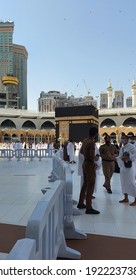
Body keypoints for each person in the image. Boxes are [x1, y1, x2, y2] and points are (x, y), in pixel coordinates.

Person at [77, 126, 100, 214]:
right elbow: (92, 157)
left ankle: (80, 202)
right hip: (90, 164)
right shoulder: (91, 143)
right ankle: (89, 207)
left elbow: (82, 152)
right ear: (95, 134)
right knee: (91, 185)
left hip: (85, 163)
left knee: (85, 183)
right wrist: (97, 157)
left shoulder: (85, 140)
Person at [117, 134, 136, 206]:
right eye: (121, 138)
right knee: (124, 183)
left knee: (131, 183)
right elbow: (119, 157)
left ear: (127, 139)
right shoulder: (122, 148)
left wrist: (128, 157)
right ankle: (126, 198)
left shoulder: (132, 147)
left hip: (130, 168)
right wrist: (118, 158)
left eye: (123, 138)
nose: (122, 139)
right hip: (123, 167)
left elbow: (134, 156)